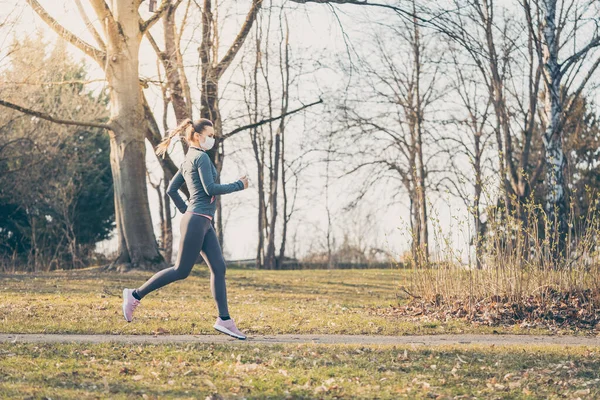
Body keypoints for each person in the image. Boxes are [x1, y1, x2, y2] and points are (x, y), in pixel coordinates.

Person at [122, 118, 249, 340]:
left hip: (200, 220)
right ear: (197, 136)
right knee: (181, 270)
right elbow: (210, 189)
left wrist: (186, 210)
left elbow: (172, 190)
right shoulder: (200, 157)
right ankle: (134, 295)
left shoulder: (189, 158)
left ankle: (225, 320)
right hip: (197, 220)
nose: (212, 139)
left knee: (219, 268)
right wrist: (239, 185)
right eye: (209, 135)